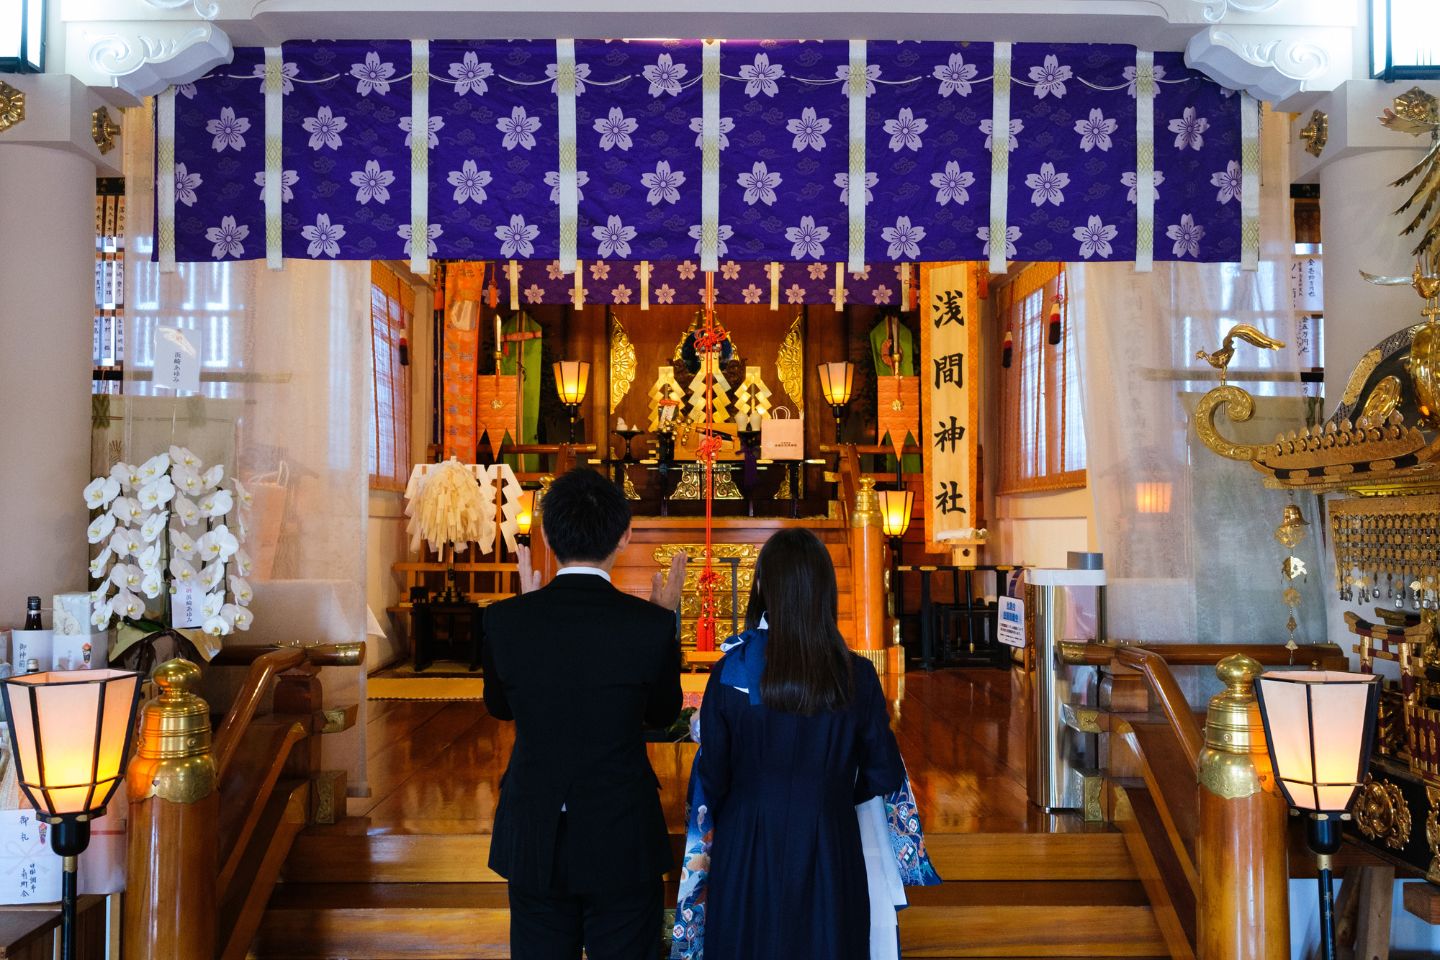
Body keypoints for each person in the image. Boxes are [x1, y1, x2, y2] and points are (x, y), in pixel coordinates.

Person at [483, 467, 687, 960]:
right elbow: (662, 713)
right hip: (622, 830)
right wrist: (668, 622)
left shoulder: (505, 621)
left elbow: (501, 707)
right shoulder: (650, 626)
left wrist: (529, 621)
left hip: (535, 831)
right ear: (624, 536)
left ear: (549, 535)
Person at [696, 528, 905, 960]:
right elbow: (884, 771)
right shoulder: (857, 675)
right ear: (825, 590)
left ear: (761, 587)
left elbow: (711, 776)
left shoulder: (732, 672)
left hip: (745, 841)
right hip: (829, 839)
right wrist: (833, 792)